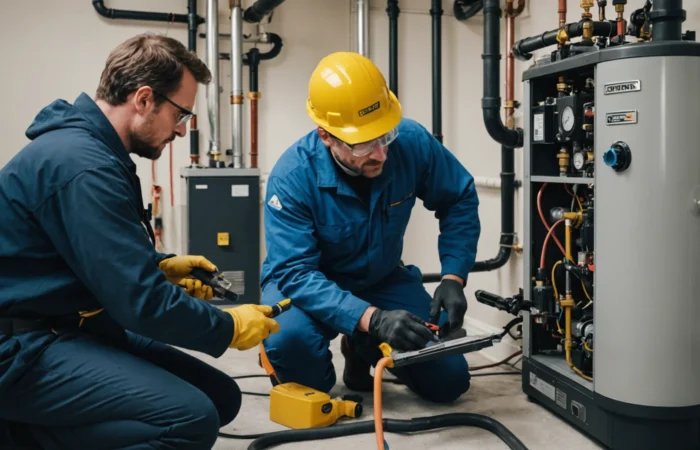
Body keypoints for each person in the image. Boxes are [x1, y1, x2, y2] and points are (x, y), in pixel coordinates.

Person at [0, 33, 279, 450]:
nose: (181, 132)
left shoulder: (92, 151)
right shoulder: (83, 167)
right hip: (22, 347)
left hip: (67, 322)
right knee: (190, 419)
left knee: (220, 396)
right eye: (181, 114)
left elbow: (90, 255)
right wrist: (229, 325)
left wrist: (160, 266)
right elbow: (141, 305)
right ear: (144, 99)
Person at [259, 51, 481, 404]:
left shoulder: (411, 142)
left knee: (448, 382)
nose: (380, 153)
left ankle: (361, 346)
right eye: (363, 143)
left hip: (379, 277)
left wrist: (454, 277)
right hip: (304, 283)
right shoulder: (291, 178)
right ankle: (355, 334)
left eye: (384, 135)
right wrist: (373, 319)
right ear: (326, 135)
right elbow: (296, 272)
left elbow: (459, 198)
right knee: (302, 372)